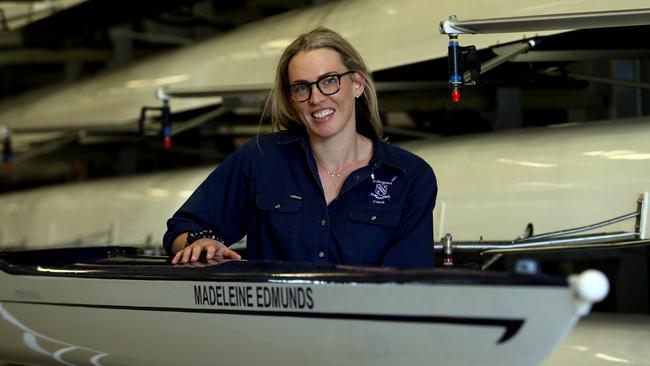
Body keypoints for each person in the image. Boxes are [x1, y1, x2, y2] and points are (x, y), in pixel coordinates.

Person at [163, 27, 437, 268]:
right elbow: (182, 228)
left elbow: (409, 285)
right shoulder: (262, 160)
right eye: (301, 87)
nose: (316, 98)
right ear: (292, 98)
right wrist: (202, 243)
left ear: (357, 84)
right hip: (275, 326)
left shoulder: (409, 177)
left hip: (364, 326)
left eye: (329, 81)